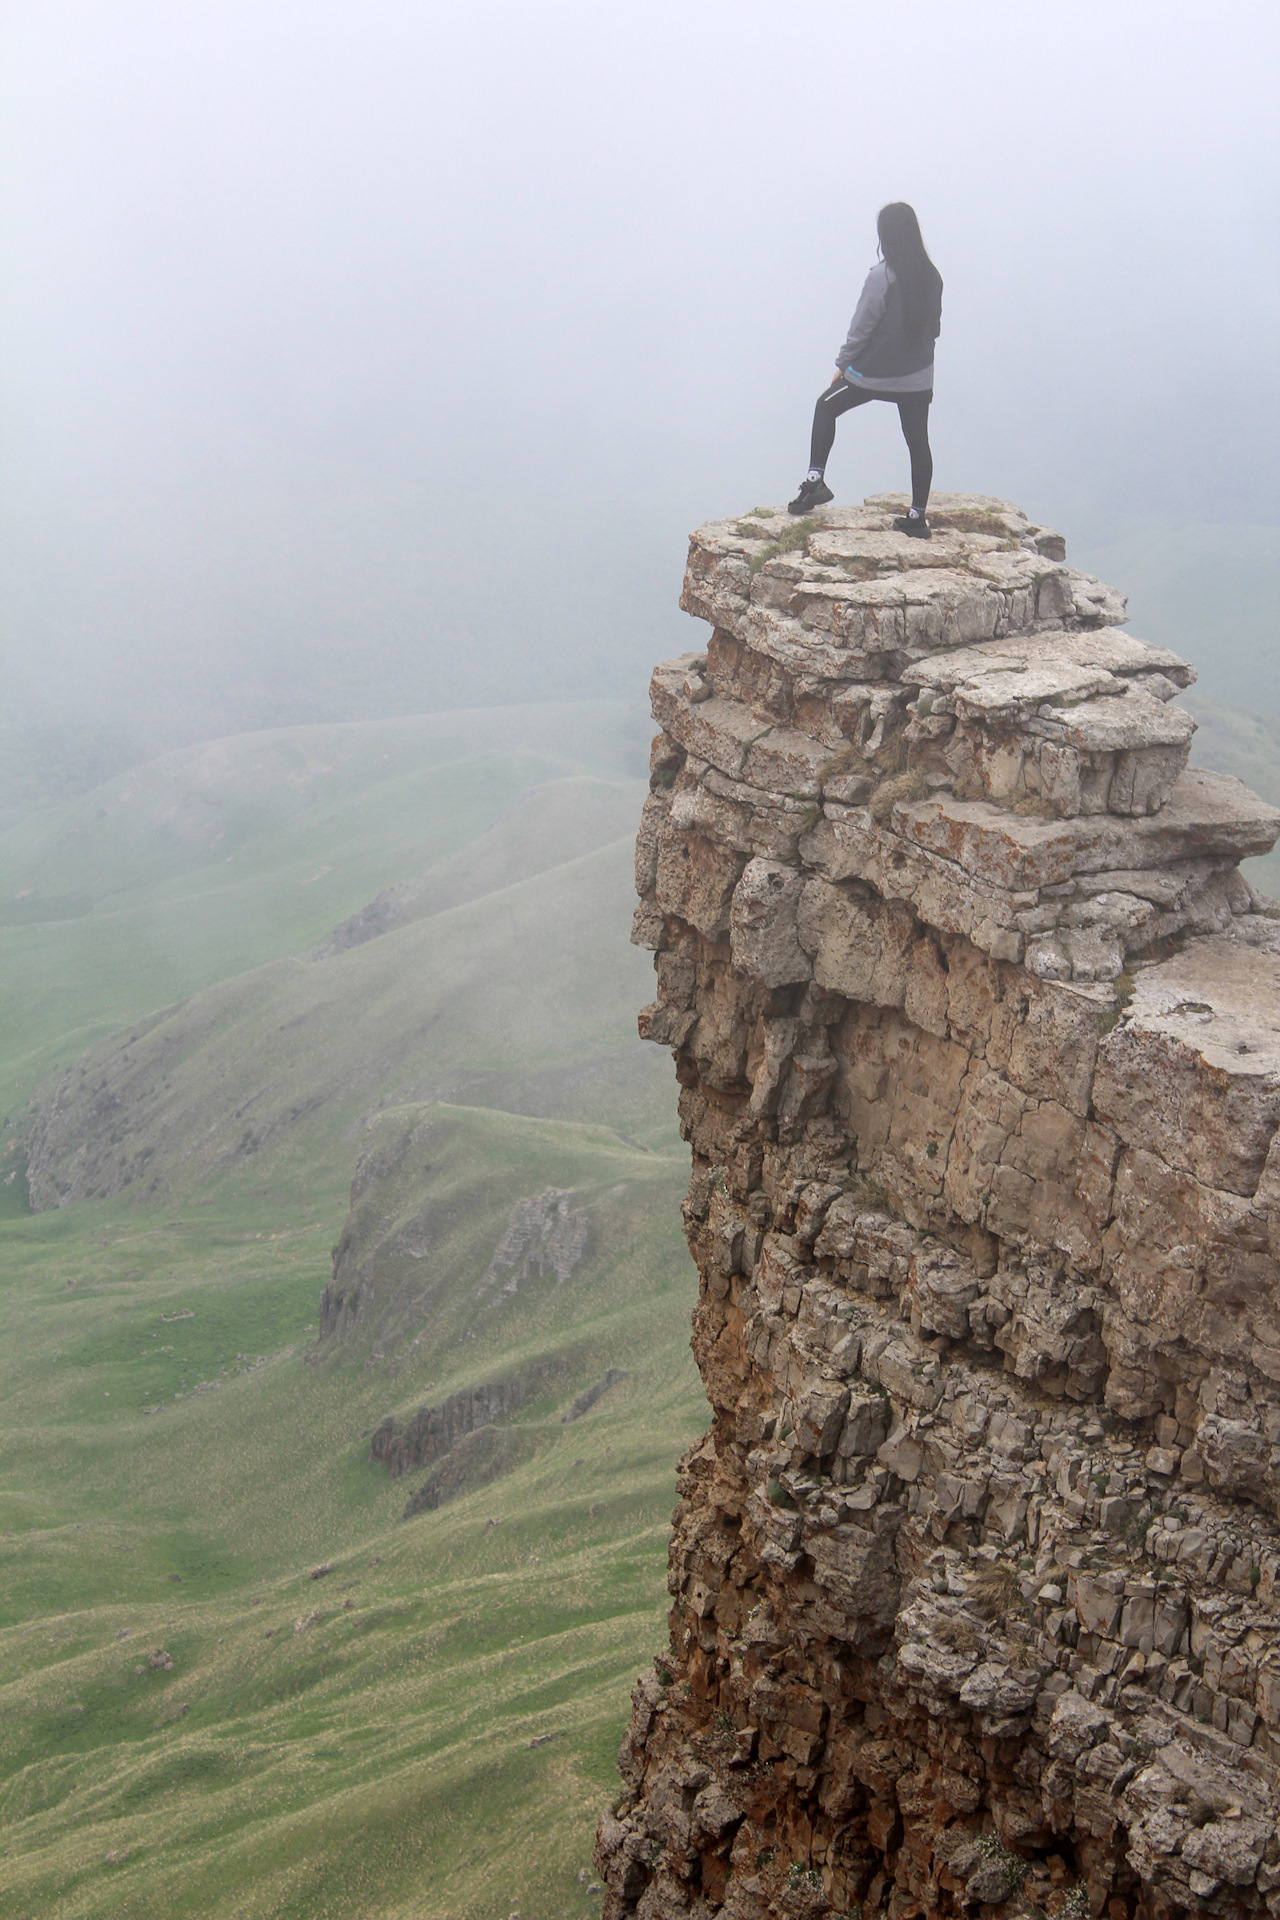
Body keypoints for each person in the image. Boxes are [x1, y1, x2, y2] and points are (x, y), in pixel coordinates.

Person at [788, 203, 943, 537]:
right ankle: (917, 517)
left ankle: (815, 482)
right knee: (918, 441)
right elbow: (934, 329)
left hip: (873, 373)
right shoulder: (932, 276)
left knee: (825, 406)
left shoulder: (882, 276)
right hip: (917, 377)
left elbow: (862, 327)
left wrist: (842, 365)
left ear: (885, 236)